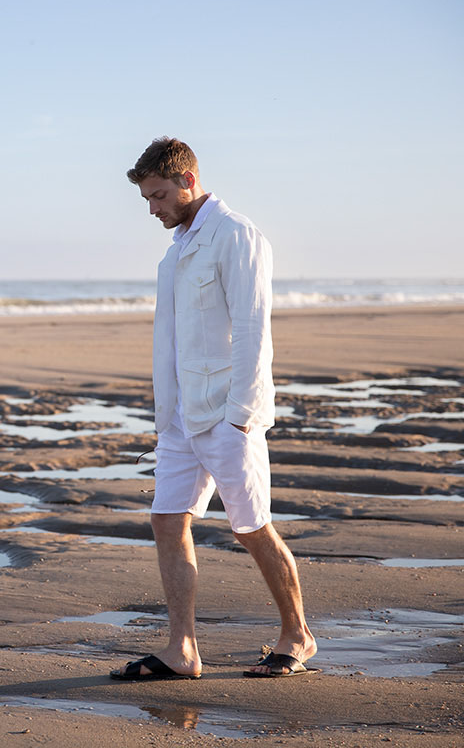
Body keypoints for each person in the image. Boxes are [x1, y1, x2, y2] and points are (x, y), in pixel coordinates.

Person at [111, 137, 317, 680]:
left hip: (229, 414)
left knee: (251, 527)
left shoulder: (237, 235)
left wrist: (243, 413)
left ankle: (297, 635)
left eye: (157, 195)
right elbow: (175, 340)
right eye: (147, 199)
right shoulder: (177, 247)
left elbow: (253, 329)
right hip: (181, 418)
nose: (152, 208)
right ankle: (183, 650)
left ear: (187, 181)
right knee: (166, 520)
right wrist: (165, 417)